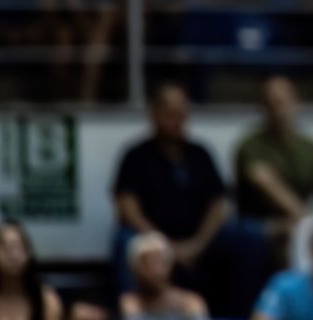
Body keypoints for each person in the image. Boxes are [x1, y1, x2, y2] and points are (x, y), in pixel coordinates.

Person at [113, 83, 267, 317]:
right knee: (125, 240)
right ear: (154, 114)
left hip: (200, 241)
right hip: (154, 240)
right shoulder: (136, 156)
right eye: (170, 113)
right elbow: (128, 208)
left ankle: (244, 315)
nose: (177, 119)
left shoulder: (200, 154)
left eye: (182, 113)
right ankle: (131, 312)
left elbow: (218, 205)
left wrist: (197, 245)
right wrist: (165, 246)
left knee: (250, 235)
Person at [235, 76, 313, 237]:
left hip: (301, 221)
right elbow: (265, 182)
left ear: (297, 103)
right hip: (261, 222)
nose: (278, 109)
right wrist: (307, 220)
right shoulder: (251, 146)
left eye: (282, 102)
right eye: (270, 102)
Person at [120, 232, 208, 320]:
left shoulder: (189, 302)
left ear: (169, 265)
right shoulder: (131, 302)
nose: (154, 270)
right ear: (135, 269)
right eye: (147, 263)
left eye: (158, 262)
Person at [0, 222, 63, 320]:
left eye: (19, 247)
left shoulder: (46, 299)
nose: (13, 255)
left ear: (28, 252)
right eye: (5, 247)